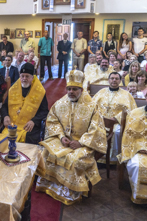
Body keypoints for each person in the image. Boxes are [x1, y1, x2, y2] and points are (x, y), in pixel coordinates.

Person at [36, 69, 107, 205]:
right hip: (63, 141)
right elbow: (52, 121)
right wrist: (62, 137)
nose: (71, 92)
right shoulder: (60, 103)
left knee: (74, 160)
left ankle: (68, 191)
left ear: (81, 89)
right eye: (69, 89)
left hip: (83, 143)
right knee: (45, 151)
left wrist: (80, 143)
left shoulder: (92, 106)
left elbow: (96, 129)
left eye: (74, 89)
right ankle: (49, 185)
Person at [93, 72, 137, 163]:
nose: (114, 80)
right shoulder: (101, 92)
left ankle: (113, 159)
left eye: (116, 79)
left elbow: (131, 110)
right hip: (100, 120)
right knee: (93, 130)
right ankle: (96, 158)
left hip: (117, 122)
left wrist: (116, 118)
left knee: (117, 132)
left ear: (120, 81)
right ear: (108, 80)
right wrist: (99, 117)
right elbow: (92, 106)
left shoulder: (126, 94)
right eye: (112, 78)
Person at [1, 63, 49, 144]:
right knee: (2, 137)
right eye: (22, 76)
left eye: (27, 76)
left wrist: (34, 121)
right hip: (12, 124)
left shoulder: (40, 91)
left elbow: (44, 111)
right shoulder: (13, 89)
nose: (24, 79)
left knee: (29, 137)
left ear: (32, 77)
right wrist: (5, 116)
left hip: (28, 125)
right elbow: (5, 106)